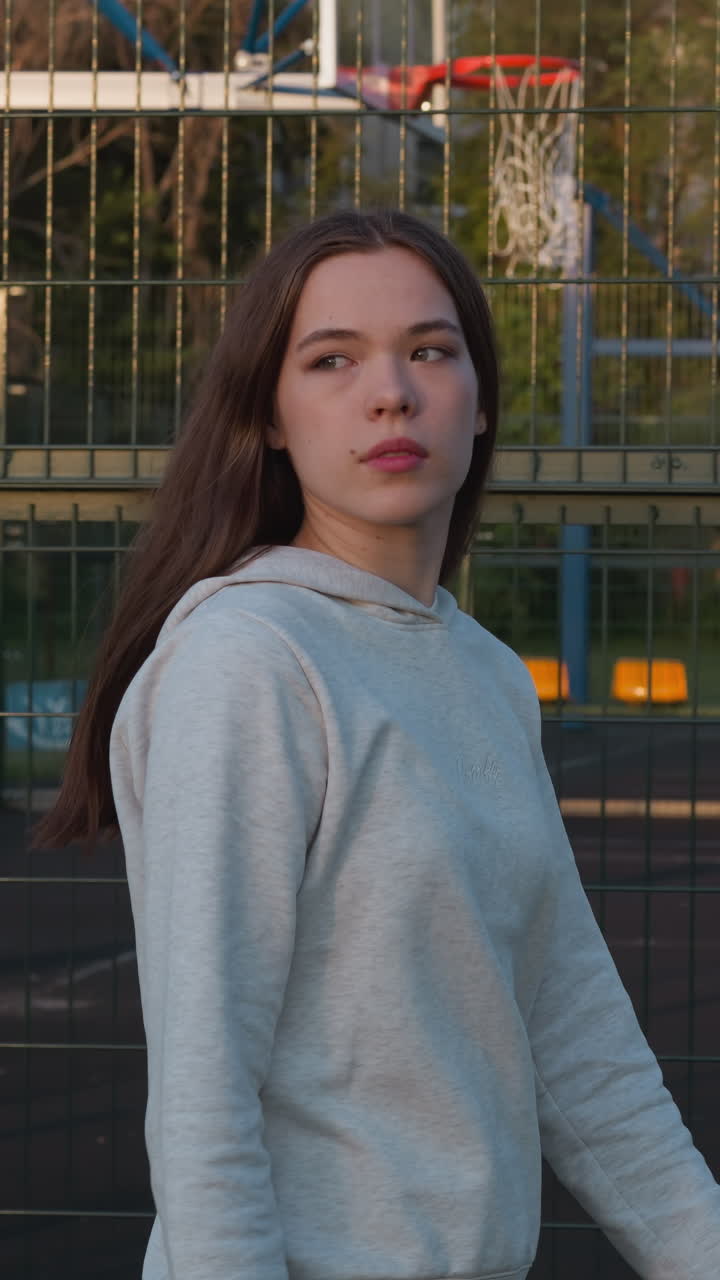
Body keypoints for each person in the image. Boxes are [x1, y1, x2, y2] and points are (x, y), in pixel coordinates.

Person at [36, 208, 720, 1280]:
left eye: (429, 350)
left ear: (480, 398)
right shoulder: (247, 659)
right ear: (269, 414)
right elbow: (206, 1099)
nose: (390, 390)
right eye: (332, 359)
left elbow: (584, 1050)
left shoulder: (487, 673)